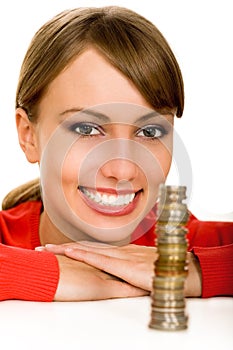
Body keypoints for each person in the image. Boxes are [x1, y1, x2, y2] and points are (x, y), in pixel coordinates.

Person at [0, 6, 232, 302]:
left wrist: (192, 271)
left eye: (149, 132)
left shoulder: (183, 241)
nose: (123, 170)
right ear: (28, 135)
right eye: (86, 129)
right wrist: (51, 273)